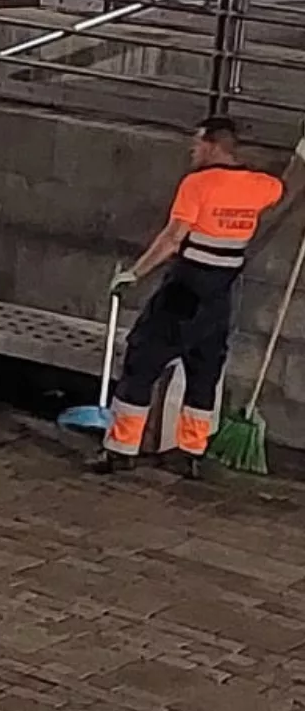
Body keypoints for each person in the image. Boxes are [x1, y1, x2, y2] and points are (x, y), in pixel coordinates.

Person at [96, 117, 285, 477]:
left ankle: (120, 450)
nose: (192, 150)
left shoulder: (197, 184)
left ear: (214, 145)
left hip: (184, 291)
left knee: (142, 360)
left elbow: (172, 237)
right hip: (220, 298)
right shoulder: (261, 187)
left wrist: (134, 273)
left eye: (197, 144)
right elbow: (283, 185)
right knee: (204, 374)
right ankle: (189, 452)